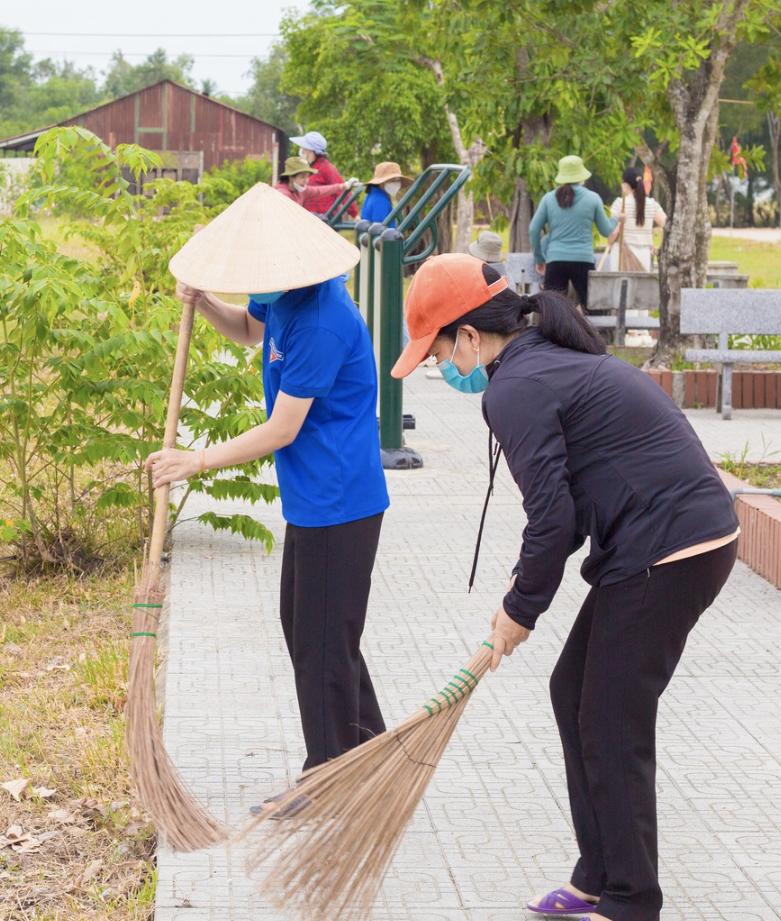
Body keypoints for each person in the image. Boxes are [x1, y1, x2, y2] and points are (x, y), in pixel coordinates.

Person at [390, 253, 739, 921]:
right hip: (662, 539)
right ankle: (597, 872)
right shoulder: (535, 358)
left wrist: (521, 607)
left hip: (673, 546)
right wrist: (520, 595)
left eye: (436, 354)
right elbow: (568, 512)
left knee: (611, 716)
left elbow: (553, 518)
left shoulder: (514, 387)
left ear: (467, 335)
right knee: (573, 691)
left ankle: (632, 899)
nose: (440, 369)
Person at [148, 188, 389, 813]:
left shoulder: (322, 320)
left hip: (342, 499)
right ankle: (372, 754)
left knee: (323, 641)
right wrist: (205, 304)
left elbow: (282, 429)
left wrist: (193, 461)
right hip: (312, 498)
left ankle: (327, 778)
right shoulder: (281, 292)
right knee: (315, 631)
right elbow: (249, 331)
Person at [530, 156, 617, 311]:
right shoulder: (593, 198)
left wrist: (539, 258)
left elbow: (533, 229)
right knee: (593, 308)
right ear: (581, 177)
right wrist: (616, 219)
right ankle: (598, 335)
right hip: (583, 260)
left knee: (552, 310)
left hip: (555, 260)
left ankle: (553, 336)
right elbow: (606, 230)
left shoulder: (548, 199)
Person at [603, 166, 667, 271]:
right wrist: (661, 247)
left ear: (626, 185)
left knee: (620, 286)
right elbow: (667, 225)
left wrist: (610, 241)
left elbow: (613, 233)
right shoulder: (652, 204)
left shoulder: (620, 203)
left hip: (622, 253)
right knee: (640, 287)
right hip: (644, 255)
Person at [290, 131, 345, 216]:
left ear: (311, 151)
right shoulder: (309, 167)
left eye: (304, 148)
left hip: (325, 219)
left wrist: (354, 214)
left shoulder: (325, 167)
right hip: (309, 217)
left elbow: (342, 189)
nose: (302, 151)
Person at [276, 156, 356, 213]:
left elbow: (319, 191)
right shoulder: (282, 195)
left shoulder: (300, 190)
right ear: (291, 177)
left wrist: (343, 186)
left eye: (307, 177)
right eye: (302, 177)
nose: (306, 181)